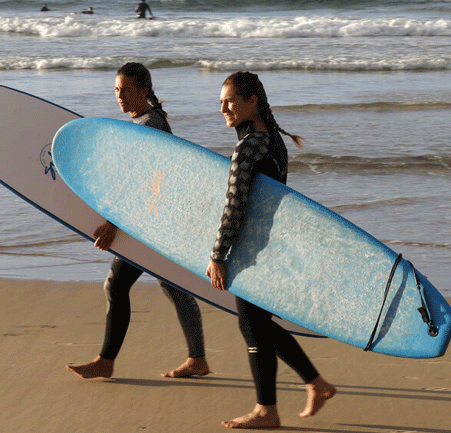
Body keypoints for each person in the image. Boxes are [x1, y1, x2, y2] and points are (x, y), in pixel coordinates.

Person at [206, 72, 336, 429]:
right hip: (271, 244)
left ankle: (268, 410)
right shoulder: (274, 141)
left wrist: (218, 254)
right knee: (258, 324)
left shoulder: (249, 146)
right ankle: (315, 384)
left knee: (253, 324)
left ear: (252, 102)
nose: (222, 108)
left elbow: (235, 205)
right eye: (221, 101)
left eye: (229, 101)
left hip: (252, 248)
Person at [66, 63, 210, 380]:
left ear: (143, 92)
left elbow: (145, 184)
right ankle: (197, 359)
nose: (120, 96)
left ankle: (106, 361)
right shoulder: (147, 121)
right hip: (156, 222)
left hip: (151, 225)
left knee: (117, 285)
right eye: (116, 90)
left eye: (127, 90)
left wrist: (113, 224)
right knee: (173, 287)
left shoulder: (149, 126)